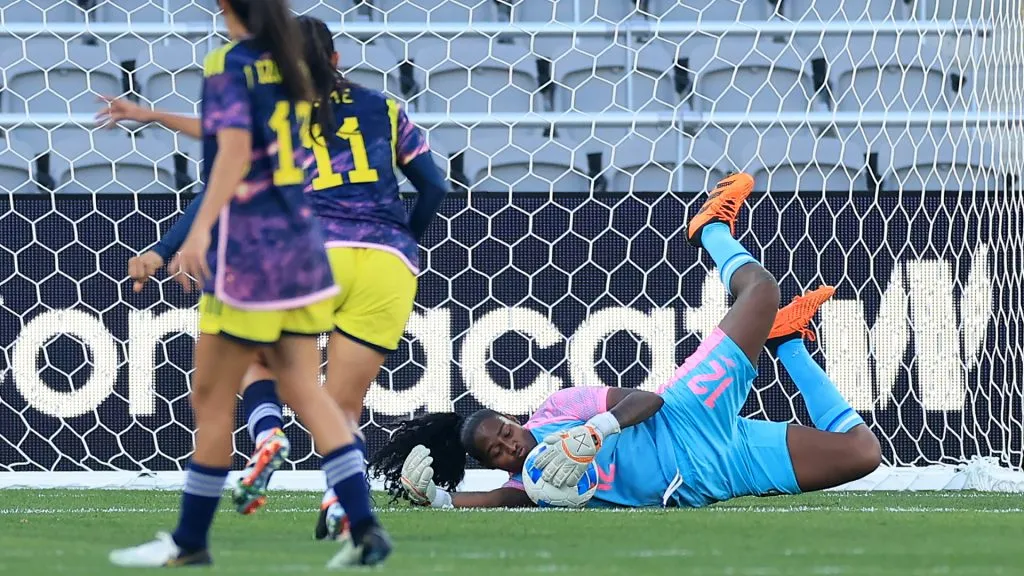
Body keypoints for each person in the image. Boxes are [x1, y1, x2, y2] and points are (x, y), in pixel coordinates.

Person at [100, 15, 448, 536]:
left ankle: (266, 432)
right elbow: (434, 187)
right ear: (336, 61)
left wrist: (163, 248)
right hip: (387, 262)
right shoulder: (387, 107)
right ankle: (338, 501)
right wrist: (402, 242)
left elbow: (220, 183)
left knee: (253, 357)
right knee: (342, 403)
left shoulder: (275, 114)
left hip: (307, 251)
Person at [370, 173, 882, 509]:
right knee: (863, 454)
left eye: (503, 430)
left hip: (688, 413)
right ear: (494, 466)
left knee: (762, 289)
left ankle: (709, 229)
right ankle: (789, 341)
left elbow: (650, 398)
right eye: (497, 451)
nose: (509, 443)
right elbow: (465, 507)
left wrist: (596, 430)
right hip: (719, 472)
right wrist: (431, 499)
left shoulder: (557, 410)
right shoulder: (528, 489)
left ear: (512, 419)